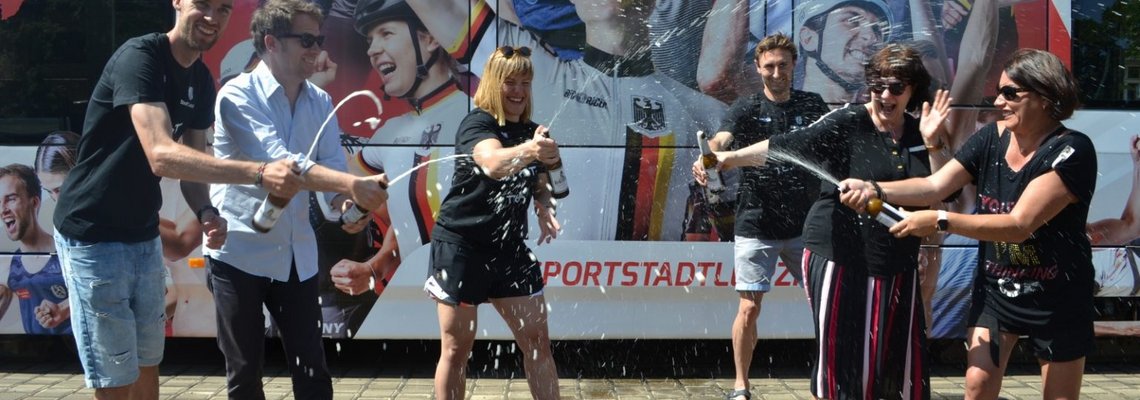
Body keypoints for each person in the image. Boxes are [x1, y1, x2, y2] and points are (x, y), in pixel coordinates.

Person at [50, 0, 303, 397]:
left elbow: (193, 164)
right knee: (116, 374)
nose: (212, 18)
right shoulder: (141, 57)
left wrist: (205, 209)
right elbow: (162, 154)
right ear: (178, 2)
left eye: (223, 9)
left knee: (149, 359)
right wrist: (257, 172)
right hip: (93, 234)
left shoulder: (201, 79)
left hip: (142, 233)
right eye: (202, 4)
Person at [839, 48, 1093, 400]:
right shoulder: (990, 138)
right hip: (996, 292)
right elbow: (936, 185)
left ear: (1045, 95)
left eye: (1010, 93)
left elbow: (1020, 224)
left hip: (1058, 297)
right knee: (976, 385)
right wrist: (874, 187)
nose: (998, 102)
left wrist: (940, 220)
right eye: (997, 92)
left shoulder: (1072, 151)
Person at [709, 44, 951, 399]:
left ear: (912, 90)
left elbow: (939, 191)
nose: (885, 95)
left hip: (897, 262)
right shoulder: (848, 120)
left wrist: (933, 145)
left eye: (896, 88)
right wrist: (728, 159)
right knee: (844, 357)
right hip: (841, 256)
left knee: (893, 360)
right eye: (877, 86)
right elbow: (786, 146)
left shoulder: (923, 132)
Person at [410, 0, 727, 241]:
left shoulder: (707, 114)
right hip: (551, 302)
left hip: (654, 306)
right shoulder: (537, 75)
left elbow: (735, 229)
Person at [205, 0, 390, 398]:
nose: (318, 50)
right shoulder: (236, 95)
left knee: (313, 372)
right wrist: (351, 185)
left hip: (296, 255)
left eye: (320, 39)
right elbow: (285, 165)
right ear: (271, 42)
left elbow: (328, 188)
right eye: (307, 40)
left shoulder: (320, 101)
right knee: (244, 374)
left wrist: (350, 211)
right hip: (239, 252)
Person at [690, 33, 829, 400]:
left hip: (805, 224)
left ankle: (829, 378)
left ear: (795, 65)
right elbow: (720, 141)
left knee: (828, 303)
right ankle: (740, 386)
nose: (776, 72)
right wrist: (707, 157)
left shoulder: (813, 104)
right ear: (757, 67)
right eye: (769, 66)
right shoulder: (746, 106)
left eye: (783, 65)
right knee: (749, 307)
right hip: (756, 222)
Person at [424, 46, 561, 400]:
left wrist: (544, 204)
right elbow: (492, 163)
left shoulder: (532, 131)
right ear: (493, 83)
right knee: (456, 349)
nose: (518, 91)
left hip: (510, 248)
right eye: (510, 82)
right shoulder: (478, 123)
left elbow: (539, 181)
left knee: (536, 343)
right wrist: (532, 150)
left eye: (525, 83)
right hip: (461, 246)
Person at [1, 164, 69, 334]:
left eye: (10, 198)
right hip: (33, 356)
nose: (3, 209)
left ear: (35, 202)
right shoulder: (7, 266)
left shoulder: (69, 254)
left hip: (75, 356)